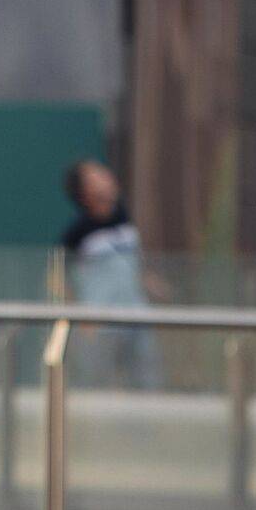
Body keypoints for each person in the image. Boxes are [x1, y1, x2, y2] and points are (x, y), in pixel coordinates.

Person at [61, 158, 163, 391]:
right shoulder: (77, 233)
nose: (106, 178)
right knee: (96, 386)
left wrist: (150, 283)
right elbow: (61, 277)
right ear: (84, 192)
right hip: (101, 322)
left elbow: (134, 266)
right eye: (95, 177)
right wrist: (78, 314)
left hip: (137, 317)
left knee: (147, 384)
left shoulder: (124, 219)